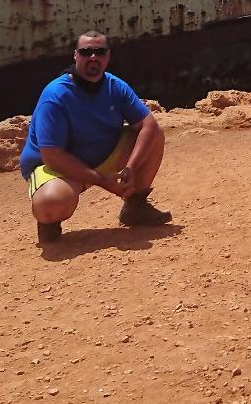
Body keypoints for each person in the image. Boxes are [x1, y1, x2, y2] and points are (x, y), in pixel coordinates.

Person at [21, 31, 170, 245]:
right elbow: (52, 156)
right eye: (86, 52)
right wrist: (102, 181)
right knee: (51, 203)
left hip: (102, 156)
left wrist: (130, 168)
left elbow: (148, 124)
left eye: (99, 52)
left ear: (108, 57)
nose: (93, 57)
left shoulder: (115, 86)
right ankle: (49, 223)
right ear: (75, 56)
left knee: (153, 135)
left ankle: (136, 205)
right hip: (59, 168)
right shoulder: (56, 95)